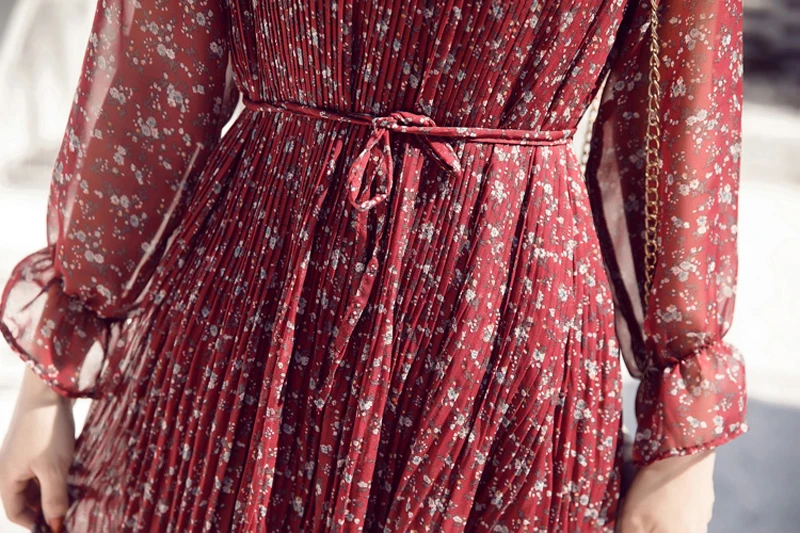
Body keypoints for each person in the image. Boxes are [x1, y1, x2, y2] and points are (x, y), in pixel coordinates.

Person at [0, 0, 747, 531]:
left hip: (507, 318)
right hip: (248, 304)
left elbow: (679, 126)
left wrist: (684, 451)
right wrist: (48, 381)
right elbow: (154, 88)